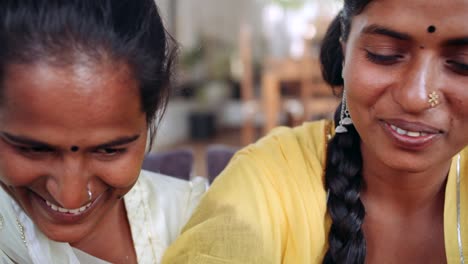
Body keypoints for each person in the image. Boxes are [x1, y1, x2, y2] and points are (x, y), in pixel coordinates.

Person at [162, 0, 468, 263]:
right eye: (384, 53)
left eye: (462, 64)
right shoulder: (268, 180)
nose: (416, 96)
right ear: (345, 52)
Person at [0, 1, 207, 263]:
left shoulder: (194, 218)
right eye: (35, 149)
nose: (70, 196)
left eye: (109, 150)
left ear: (148, 119)